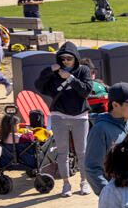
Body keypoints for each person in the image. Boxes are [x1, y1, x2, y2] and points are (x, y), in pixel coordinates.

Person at [35, 42, 94, 196]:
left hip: (80, 116)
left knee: (82, 151)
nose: (66, 61)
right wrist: (48, 70)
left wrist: (70, 78)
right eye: (63, 58)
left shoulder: (83, 70)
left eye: (69, 58)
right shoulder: (55, 73)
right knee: (62, 152)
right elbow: (40, 86)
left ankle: (84, 181)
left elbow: (86, 91)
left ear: (75, 58)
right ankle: (66, 184)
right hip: (59, 116)